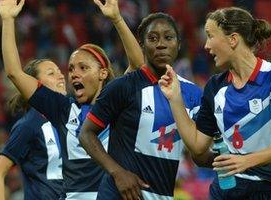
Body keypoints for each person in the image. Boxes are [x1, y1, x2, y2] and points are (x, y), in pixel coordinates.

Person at [0, 0, 144, 198]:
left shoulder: (115, 101)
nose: (73, 74)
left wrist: (117, 19)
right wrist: (7, 20)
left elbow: (137, 64)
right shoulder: (62, 108)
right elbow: (14, 72)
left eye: (83, 68)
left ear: (102, 73)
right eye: (71, 69)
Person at [157, 7, 271, 199]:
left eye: (210, 36)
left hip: (269, 191)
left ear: (232, 39)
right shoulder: (215, 87)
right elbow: (197, 146)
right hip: (226, 190)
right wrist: (175, 98)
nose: (206, 46)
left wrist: (247, 161)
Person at [79, 7, 203, 200]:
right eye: (152, 39)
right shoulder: (122, 86)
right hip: (118, 194)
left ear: (178, 44)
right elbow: (86, 134)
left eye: (168, 38)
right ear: (142, 45)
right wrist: (117, 173)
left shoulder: (193, 94)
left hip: (162, 194)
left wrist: (242, 159)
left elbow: (199, 153)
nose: (161, 44)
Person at [0, 58, 68, 200]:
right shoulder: (28, 125)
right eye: (51, 73)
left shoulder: (71, 117)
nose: (61, 76)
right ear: (34, 84)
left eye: (59, 71)